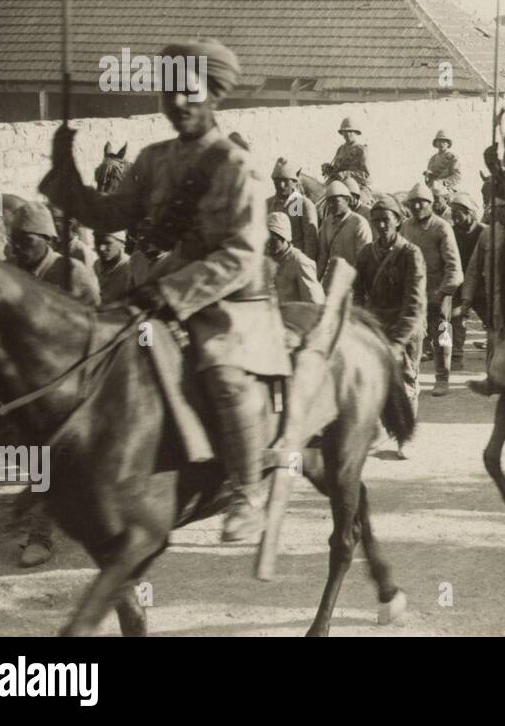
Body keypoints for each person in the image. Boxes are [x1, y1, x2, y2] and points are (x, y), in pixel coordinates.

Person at [40, 39, 289, 544]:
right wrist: (65, 173)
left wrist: (172, 290)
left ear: (213, 96)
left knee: (223, 373)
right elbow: (111, 215)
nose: (177, 102)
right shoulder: (153, 159)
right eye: (169, 91)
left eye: (189, 91)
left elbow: (242, 255)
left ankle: (246, 492)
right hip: (162, 293)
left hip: (232, 304)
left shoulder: (234, 166)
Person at [9, 202, 102, 568]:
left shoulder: (71, 272)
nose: (18, 247)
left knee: (48, 454)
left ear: (47, 238)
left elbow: (94, 327)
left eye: (26, 240)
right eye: (15, 240)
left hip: (71, 377)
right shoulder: (14, 272)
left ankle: (41, 536)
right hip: (27, 381)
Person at [356, 195, 427, 415]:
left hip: (404, 327)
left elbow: (414, 304)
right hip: (376, 324)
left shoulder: (410, 254)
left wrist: (397, 342)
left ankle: (406, 436)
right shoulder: (366, 253)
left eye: (386, 219)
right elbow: (357, 295)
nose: (382, 225)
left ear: (398, 221)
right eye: (376, 220)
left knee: (405, 381)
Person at [401, 182, 463, 397]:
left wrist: (446, 292)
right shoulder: (406, 226)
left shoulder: (441, 227)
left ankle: (442, 378)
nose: (417, 206)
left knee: (442, 336)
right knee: (412, 336)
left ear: (431, 203)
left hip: (439, 291)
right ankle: (412, 378)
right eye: (414, 202)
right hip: (414, 292)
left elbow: (454, 265)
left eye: (422, 202)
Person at [447, 192, 483, 371]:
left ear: (469, 212)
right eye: (452, 213)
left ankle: (495, 355)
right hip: (459, 283)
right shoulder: (450, 233)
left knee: (492, 320)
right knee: (454, 319)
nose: (454, 217)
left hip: (482, 285)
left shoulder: (484, 231)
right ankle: (455, 356)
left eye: (458, 213)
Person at [267, 158, 319, 264]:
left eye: (285, 181)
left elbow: (310, 242)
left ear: (294, 182)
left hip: (294, 264)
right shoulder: (268, 203)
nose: (281, 185)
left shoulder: (302, 204)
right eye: (277, 180)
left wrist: (307, 267)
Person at [317, 179, 372, 277]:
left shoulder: (359, 223)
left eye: (335, 201)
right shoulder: (327, 222)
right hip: (332, 278)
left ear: (347, 200)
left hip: (352, 279)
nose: (331, 205)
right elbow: (323, 256)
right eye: (329, 202)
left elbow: (363, 260)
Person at [266, 212, 324, 304]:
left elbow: (315, 303)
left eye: (273, 238)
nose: (268, 243)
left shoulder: (299, 262)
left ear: (284, 237)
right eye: (266, 237)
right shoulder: (267, 261)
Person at [327, 117, 370, 187]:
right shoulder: (340, 149)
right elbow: (336, 170)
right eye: (345, 132)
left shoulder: (361, 150)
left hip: (354, 185)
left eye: (350, 131)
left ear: (356, 133)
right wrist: (329, 169)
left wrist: (345, 174)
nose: (347, 134)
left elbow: (365, 174)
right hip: (337, 183)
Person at [93, 230, 133, 303]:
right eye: (97, 243)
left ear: (122, 243)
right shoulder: (97, 264)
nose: (102, 248)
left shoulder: (131, 266)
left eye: (107, 243)